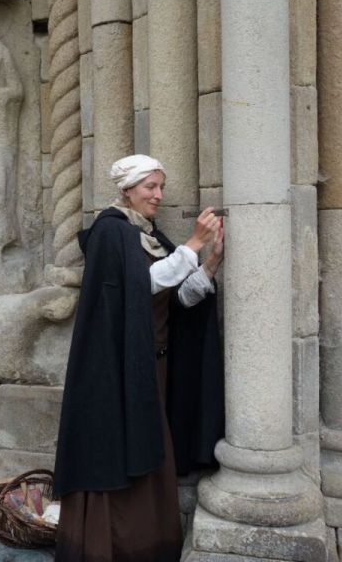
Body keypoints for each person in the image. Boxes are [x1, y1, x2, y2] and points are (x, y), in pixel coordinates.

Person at [53, 154, 225, 562]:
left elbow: (176, 299)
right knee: (115, 451)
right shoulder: (111, 232)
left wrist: (210, 264)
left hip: (152, 365)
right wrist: (194, 244)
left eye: (161, 187)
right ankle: (105, 547)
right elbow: (141, 285)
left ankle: (147, 545)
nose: (159, 195)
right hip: (117, 370)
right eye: (150, 187)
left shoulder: (149, 236)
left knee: (152, 452)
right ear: (127, 190)